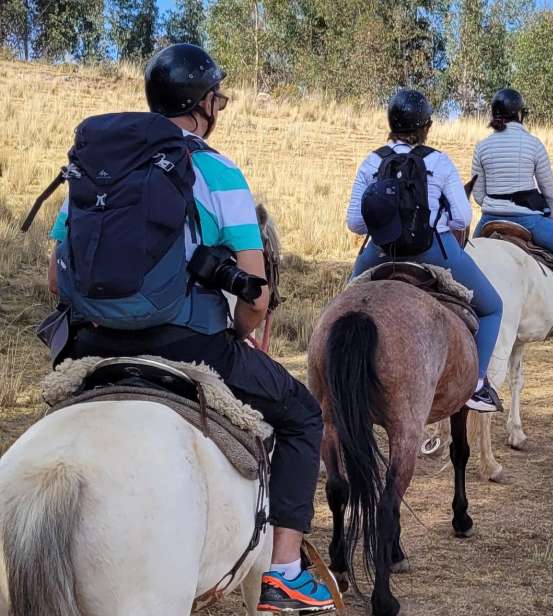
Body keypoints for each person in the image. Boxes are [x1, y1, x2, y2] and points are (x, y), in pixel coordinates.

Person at [47, 44, 333, 612]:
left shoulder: (99, 165)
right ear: (204, 104)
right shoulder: (217, 169)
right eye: (216, 98)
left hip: (92, 342)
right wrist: (246, 329)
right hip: (191, 343)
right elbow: (256, 289)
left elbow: (57, 281)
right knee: (303, 417)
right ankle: (284, 571)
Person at [347, 88, 504, 412]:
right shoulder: (438, 162)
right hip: (433, 251)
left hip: (380, 251)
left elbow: (354, 222)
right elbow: (462, 217)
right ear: (425, 127)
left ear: (391, 124)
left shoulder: (372, 161)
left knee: (341, 306)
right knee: (492, 308)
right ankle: (476, 385)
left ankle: (332, 376)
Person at [470, 88, 553, 340]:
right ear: (520, 115)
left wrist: (495, 204)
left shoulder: (482, 147)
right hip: (528, 220)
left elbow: (478, 195)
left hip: (489, 221)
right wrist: (548, 217)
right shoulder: (533, 144)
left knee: (464, 261)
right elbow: (548, 191)